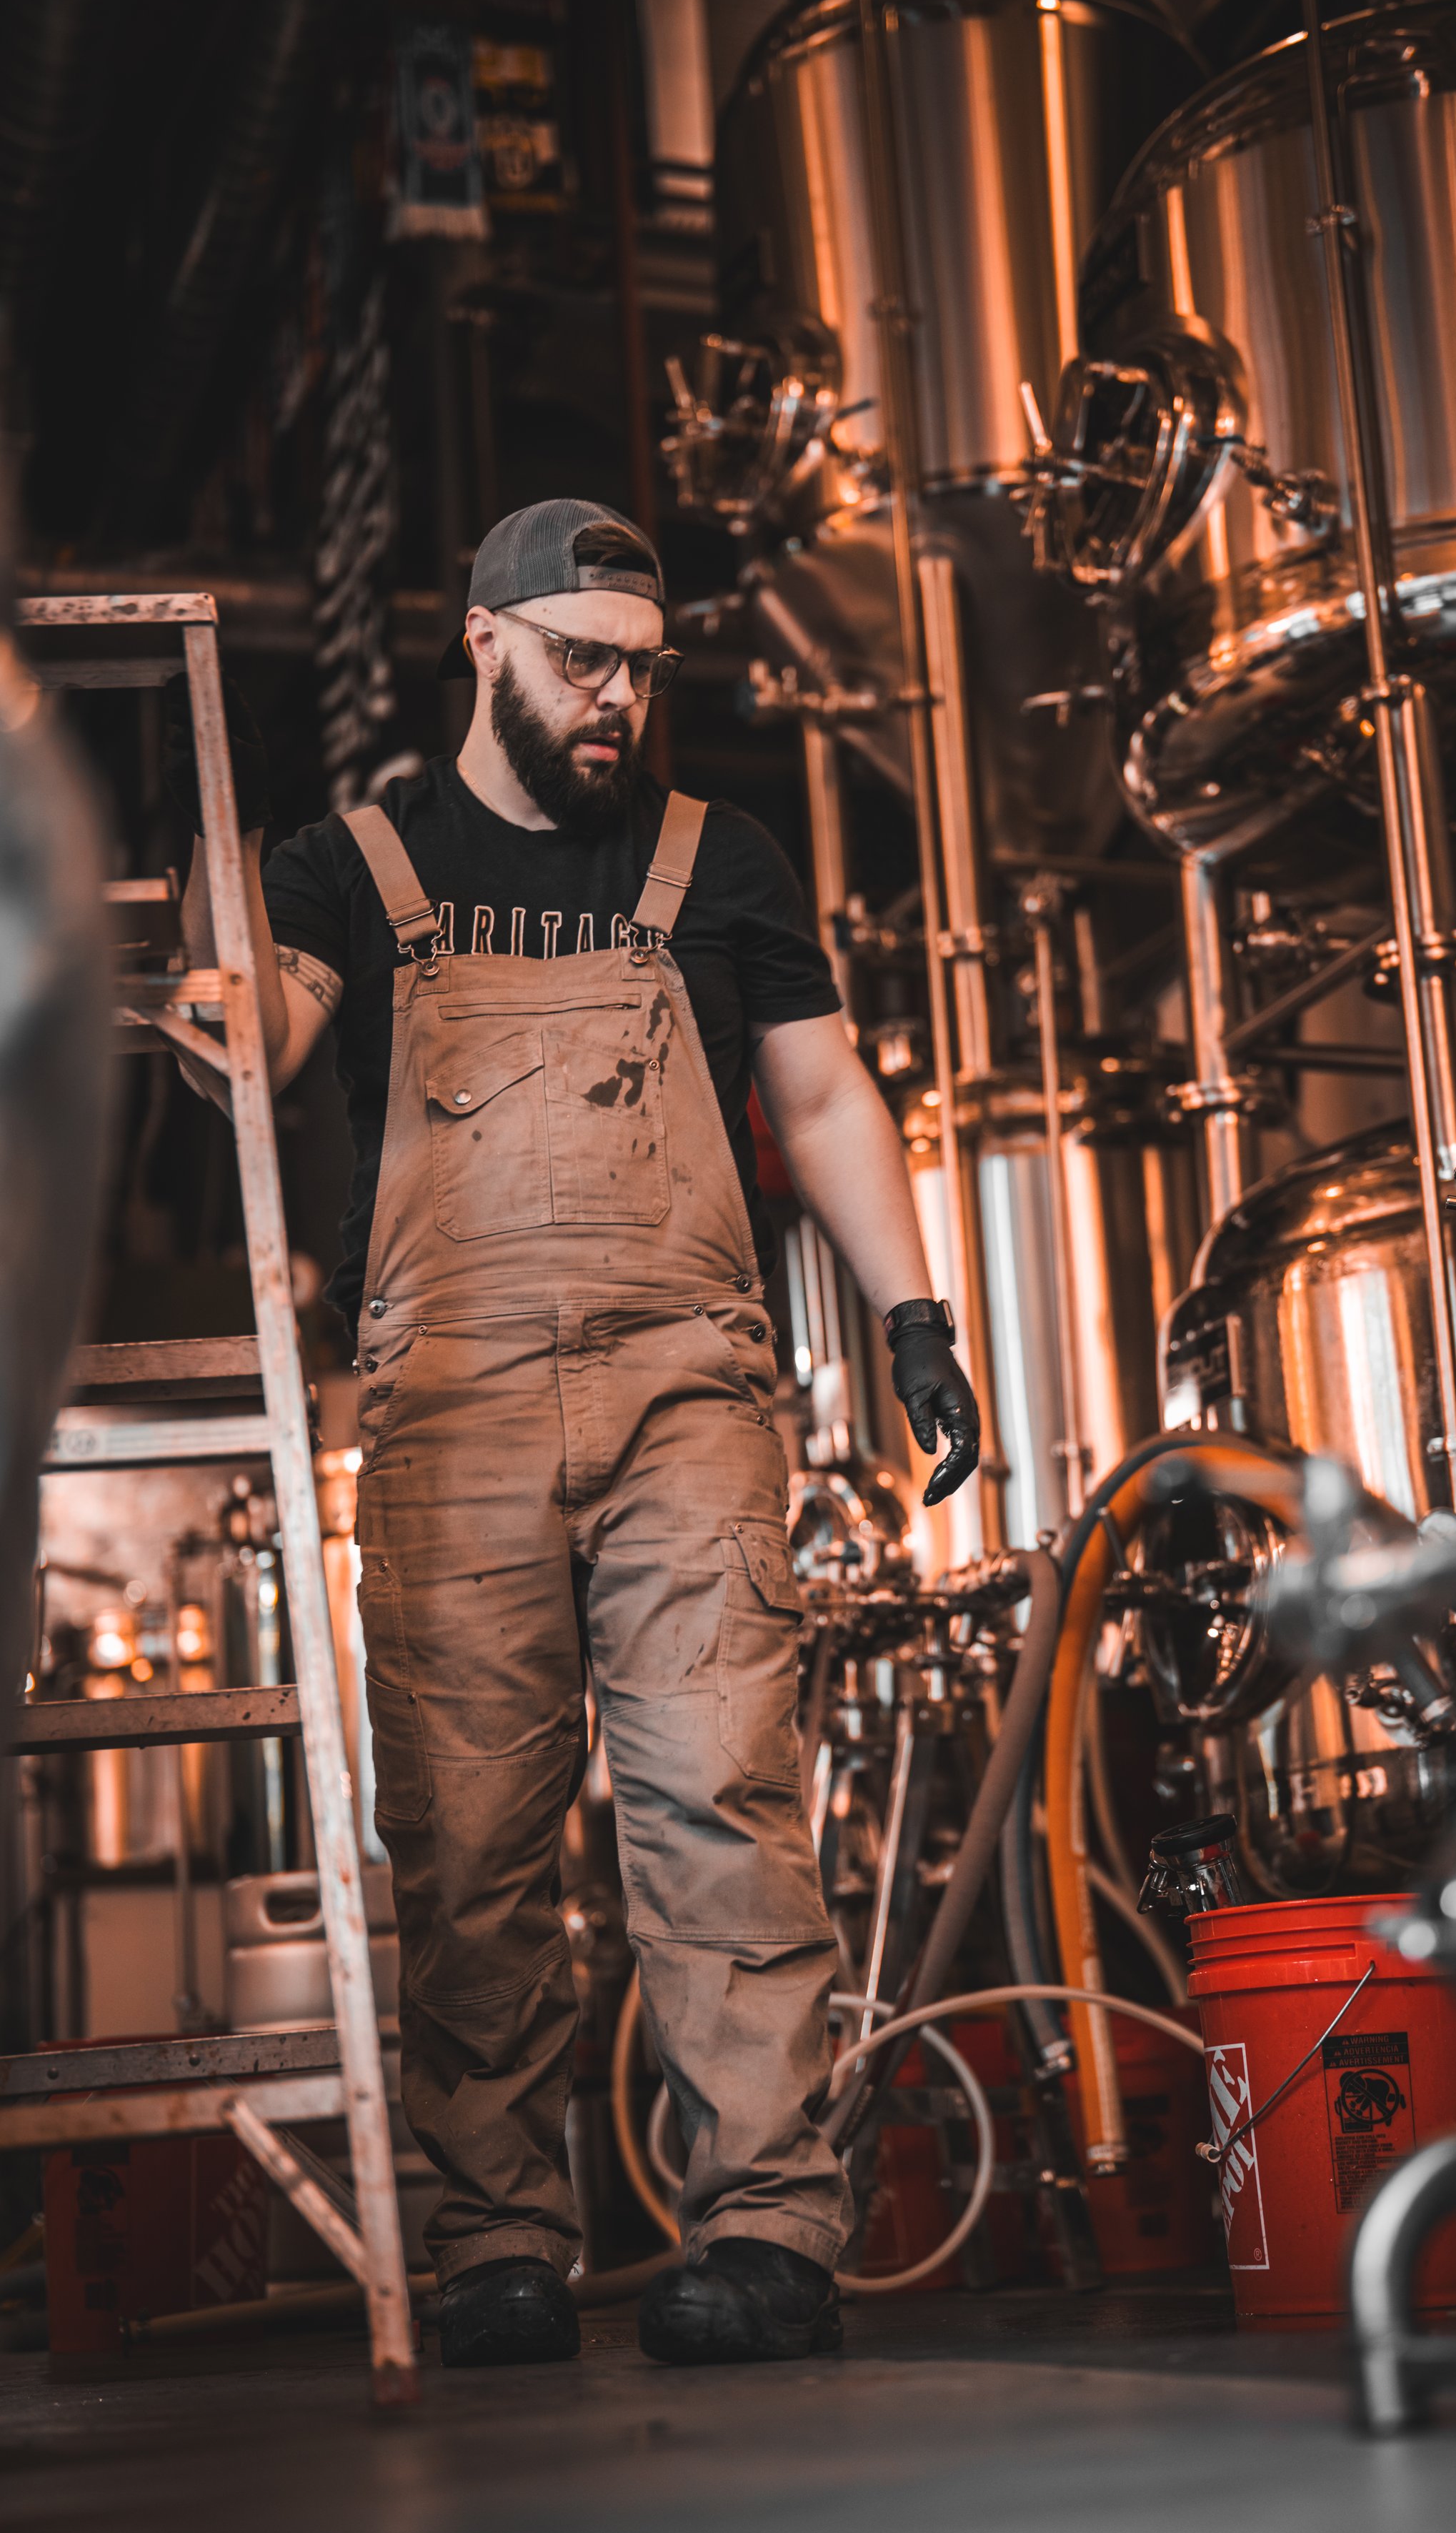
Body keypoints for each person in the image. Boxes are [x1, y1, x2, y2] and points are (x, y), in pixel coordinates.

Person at [172, 499, 980, 2369]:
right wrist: (221, 1004)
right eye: (579, 660)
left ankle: (770, 2228)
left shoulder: (721, 857)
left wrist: (915, 1312)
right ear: (483, 642)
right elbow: (268, 1026)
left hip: (687, 1385)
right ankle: (492, 2242)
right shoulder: (351, 866)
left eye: (637, 665)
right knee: (467, 1837)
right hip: (444, 1404)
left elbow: (825, 1091)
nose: (614, 699)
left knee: (723, 1798)